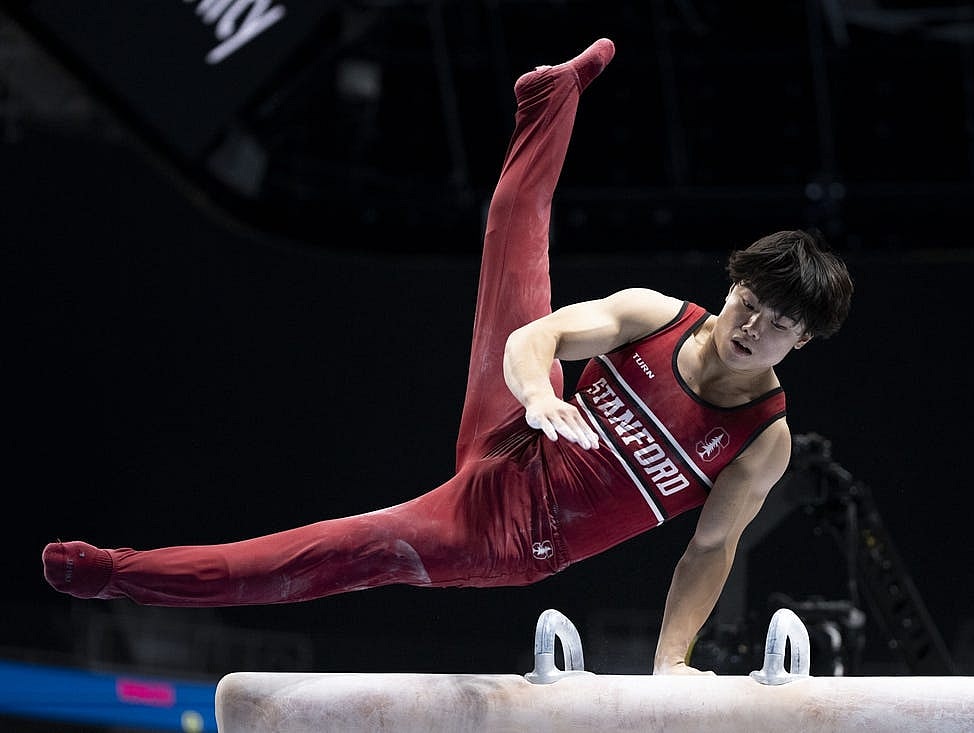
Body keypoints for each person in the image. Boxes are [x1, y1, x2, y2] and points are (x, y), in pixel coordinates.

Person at [42, 37, 853, 675]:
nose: (753, 327)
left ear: (803, 341)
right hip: (521, 425)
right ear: (732, 282)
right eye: (751, 302)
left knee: (327, 552)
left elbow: (710, 549)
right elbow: (536, 337)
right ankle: (550, 99)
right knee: (515, 247)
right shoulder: (655, 315)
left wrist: (669, 663)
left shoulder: (761, 437)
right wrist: (537, 393)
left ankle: (120, 572)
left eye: (779, 324)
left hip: (506, 532)